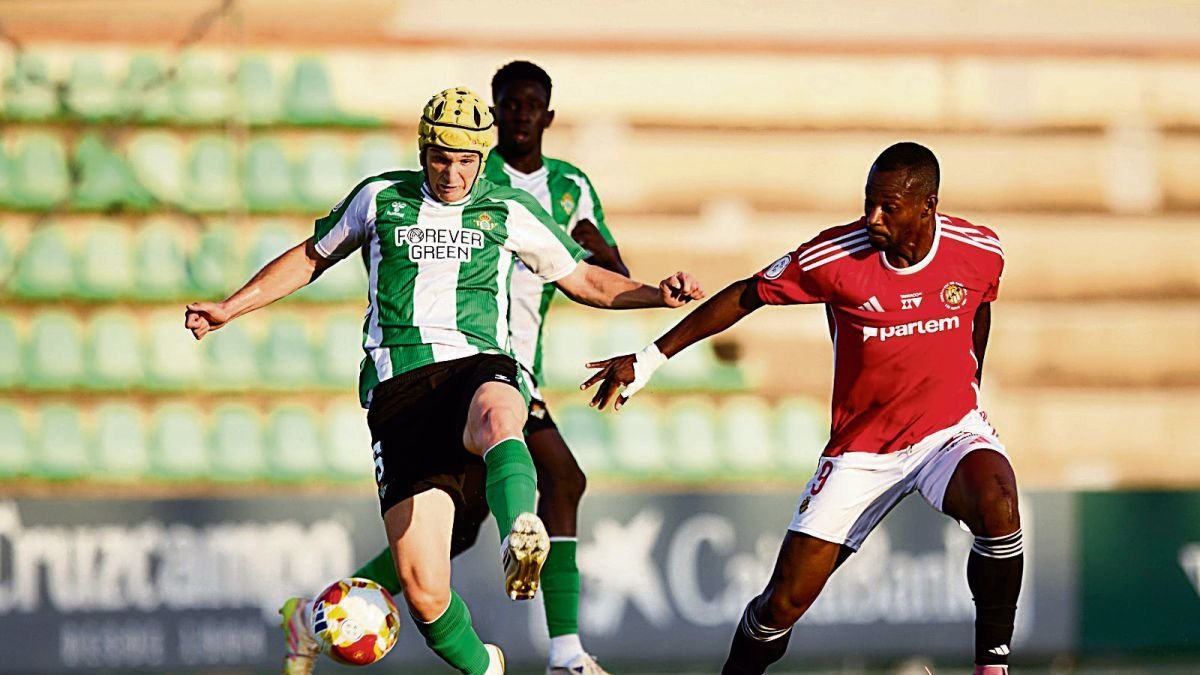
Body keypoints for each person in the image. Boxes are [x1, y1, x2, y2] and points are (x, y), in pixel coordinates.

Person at [184, 86, 704, 675]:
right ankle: (485, 666)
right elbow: (310, 257)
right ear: (423, 150)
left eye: (465, 161)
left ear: (482, 159)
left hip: (475, 366)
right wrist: (231, 306)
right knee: (425, 589)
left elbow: (583, 278)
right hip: (398, 391)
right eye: (440, 158)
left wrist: (655, 296)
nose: (452, 173)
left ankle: (520, 539)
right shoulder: (381, 197)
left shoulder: (507, 210)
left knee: (501, 416)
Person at [582, 142, 1021, 675]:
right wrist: (649, 358)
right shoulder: (837, 257)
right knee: (782, 605)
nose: (872, 217)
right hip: (862, 450)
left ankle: (993, 667)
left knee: (998, 501)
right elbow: (747, 294)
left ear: (927, 206)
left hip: (946, 432)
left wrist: (968, 382)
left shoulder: (979, 249)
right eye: (868, 202)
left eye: (889, 207)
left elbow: (980, 307)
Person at [305, 61, 630, 675]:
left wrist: (635, 284)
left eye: (532, 105)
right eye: (509, 104)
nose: (520, 115)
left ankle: (333, 606)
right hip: (472, 372)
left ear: (548, 116)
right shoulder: (468, 177)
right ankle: (562, 652)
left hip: (505, 367)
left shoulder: (567, 189)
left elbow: (596, 265)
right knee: (552, 480)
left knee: (462, 531)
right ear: (494, 114)